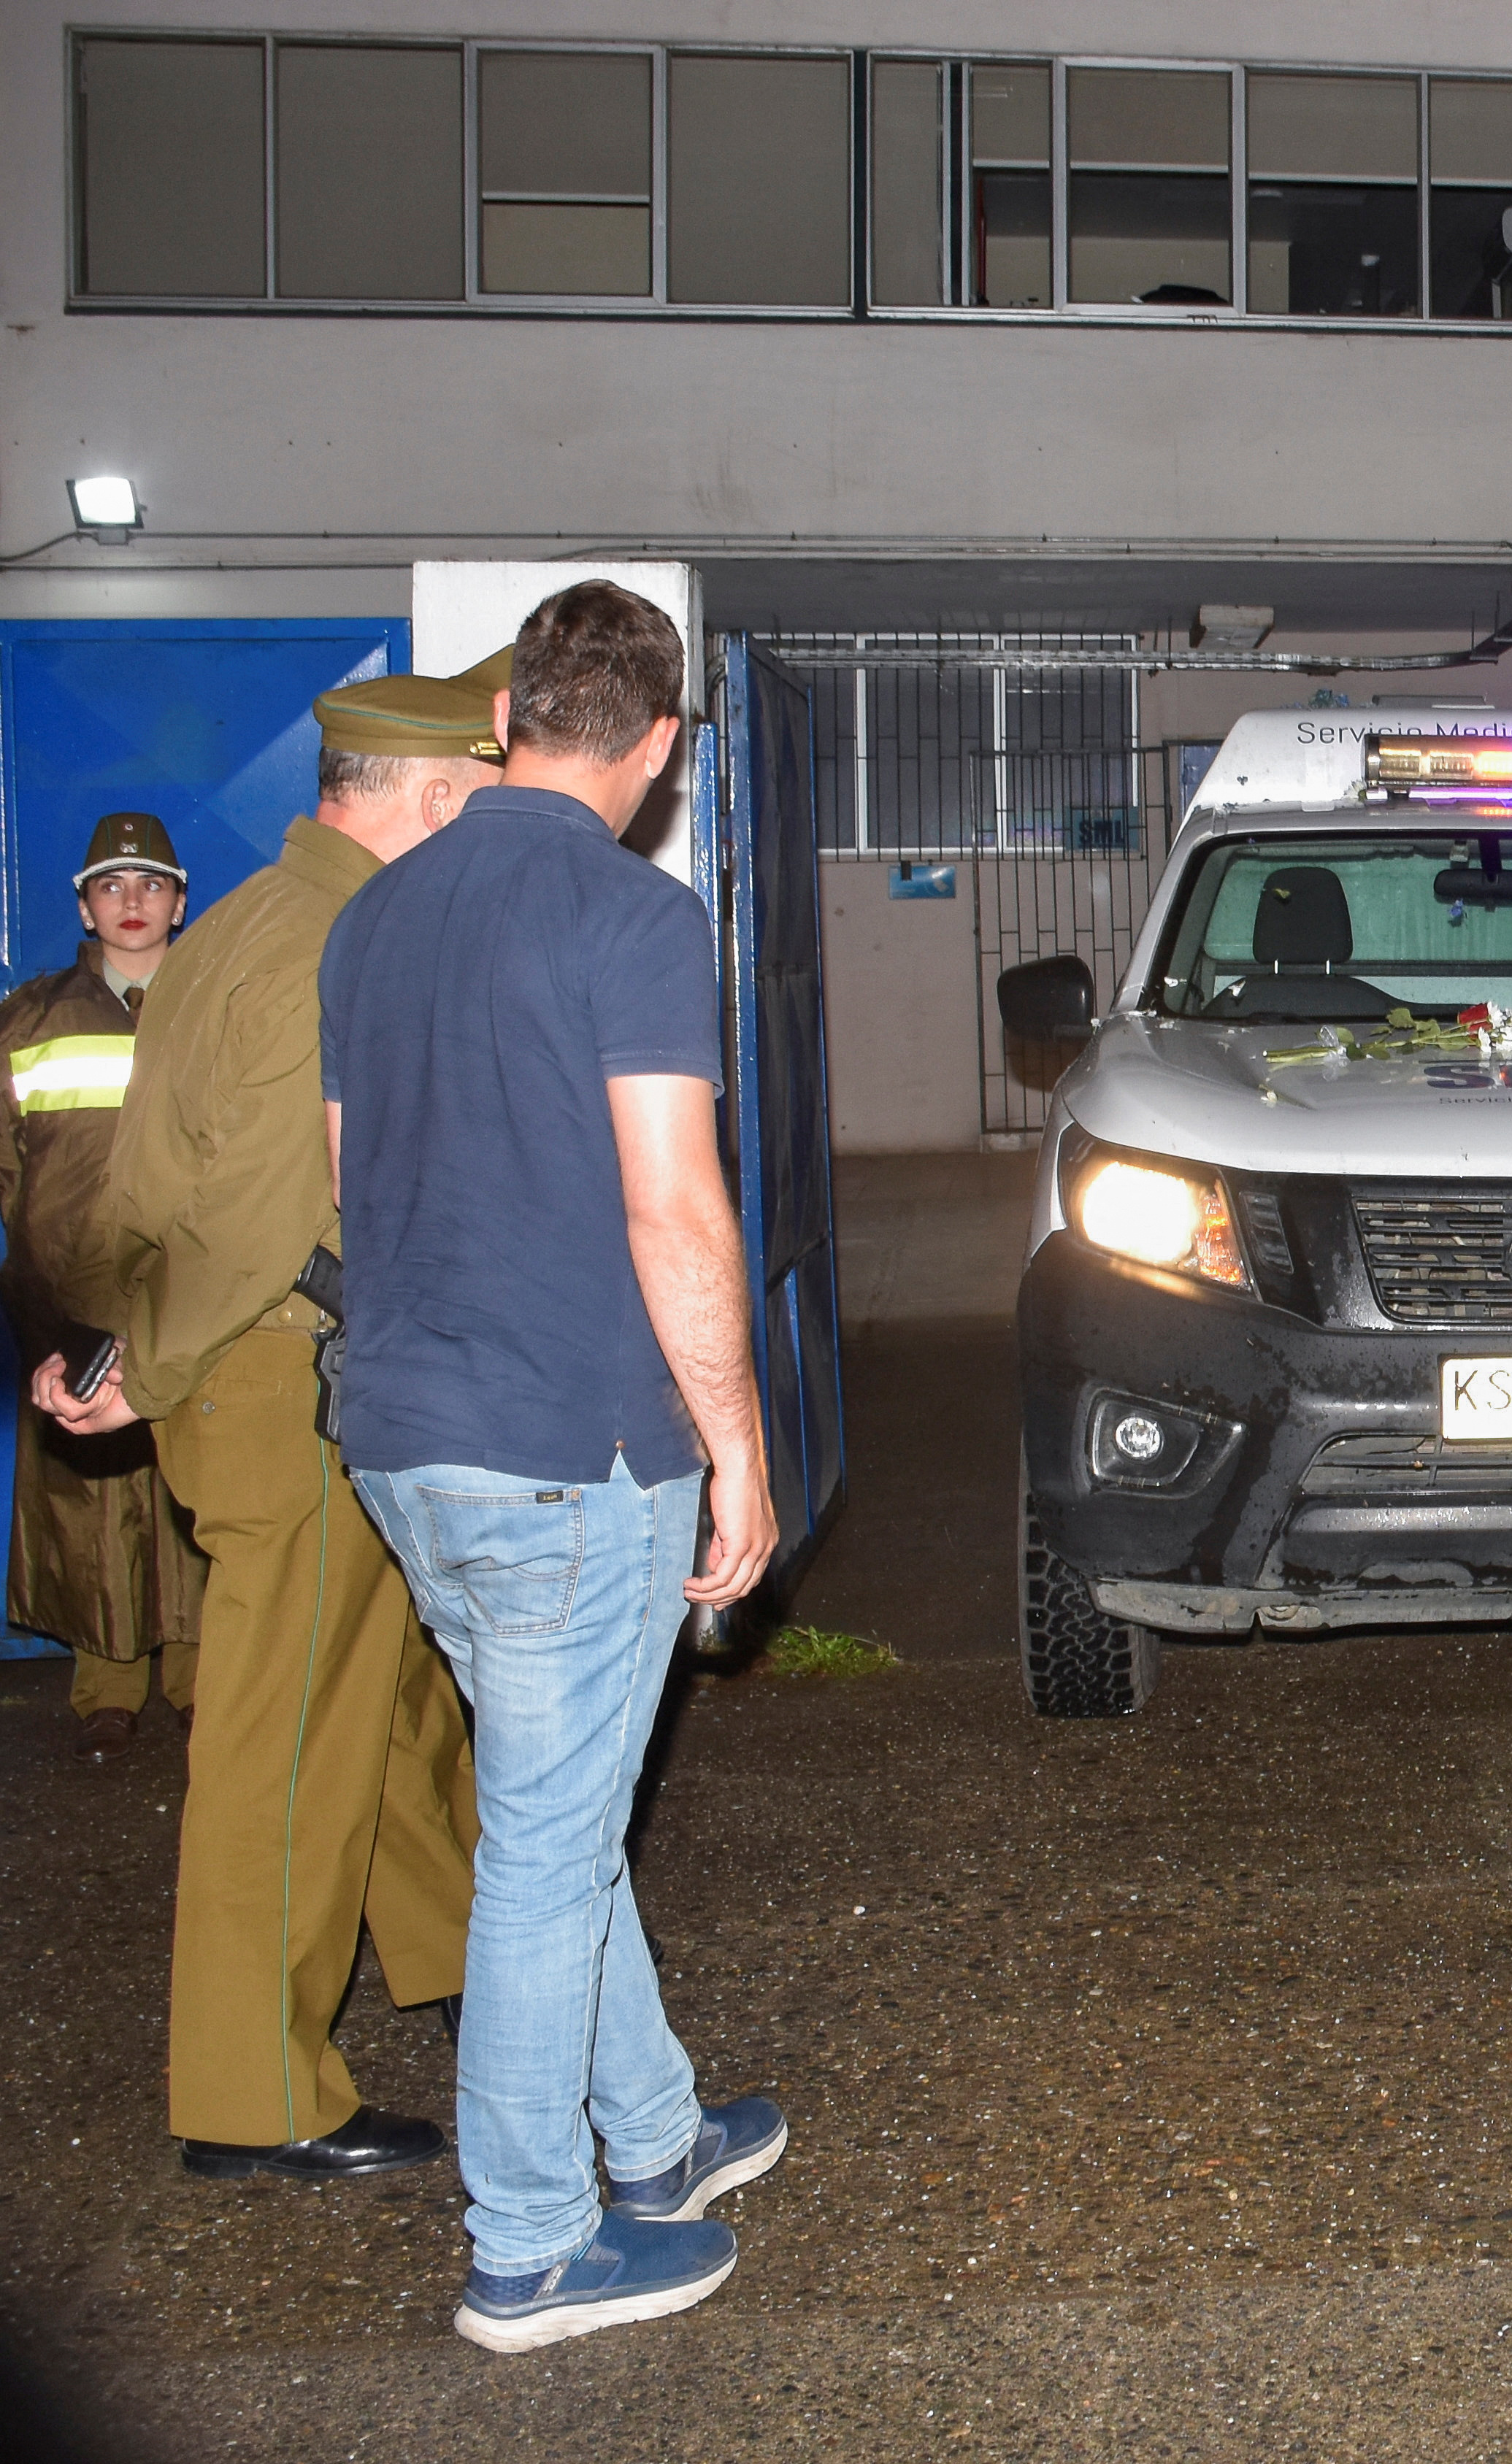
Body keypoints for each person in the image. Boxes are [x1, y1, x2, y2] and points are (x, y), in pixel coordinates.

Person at [317, 582, 783, 2352]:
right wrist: (737, 1449)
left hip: (403, 1437)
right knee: (540, 1846)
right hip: (572, 1447)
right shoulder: (632, 916)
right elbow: (674, 1206)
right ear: (659, 749)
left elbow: (363, 1189)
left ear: (509, 707)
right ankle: (529, 2246)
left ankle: (656, 2142)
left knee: (552, 1814)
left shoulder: (374, 919)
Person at [39, 670, 502, 2184]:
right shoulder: (326, 939)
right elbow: (251, 1215)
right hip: (280, 1376)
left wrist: (127, 1338)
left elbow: (145, 1182)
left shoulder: (243, 919)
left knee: (385, 1699)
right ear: (428, 796)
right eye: (477, 797)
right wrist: (146, 1368)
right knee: (284, 1739)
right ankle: (261, 2095)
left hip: (271, 1373)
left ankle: (449, 1961)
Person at [4, 814, 204, 1760]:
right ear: (85, 903)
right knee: (87, 1498)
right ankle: (106, 1687)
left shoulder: (214, 1012)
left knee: (195, 1481)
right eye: (113, 887)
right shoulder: (29, 1021)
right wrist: (37, 1306)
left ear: (179, 900)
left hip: (191, 1299)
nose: (133, 904)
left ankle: (202, 1678)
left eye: (151, 885)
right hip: (69, 1304)